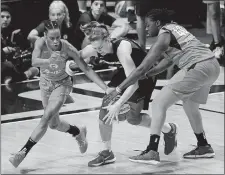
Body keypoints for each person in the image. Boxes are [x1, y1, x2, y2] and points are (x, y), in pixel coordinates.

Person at [106, 9, 219, 164]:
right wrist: (149, 74)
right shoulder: (176, 28)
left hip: (196, 67)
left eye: (148, 25)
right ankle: (203, 145)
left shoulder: (163, 35)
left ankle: (152, 150)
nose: (146, 28)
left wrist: (119, 89)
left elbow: (140, 69)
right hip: (212, 65)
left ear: (158, 23)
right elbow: (169, 61)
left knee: (159, 104)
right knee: (191, 106)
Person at [9, 20, 112, 168]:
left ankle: (22, 152)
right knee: (53, 124)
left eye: (58, 37)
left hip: (62, 84)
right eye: (52, 38)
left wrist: (105, 88)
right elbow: (34, 62)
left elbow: (86, 68)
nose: (56, 41)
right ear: (45, 36)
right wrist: (49, 60)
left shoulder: (67, 47)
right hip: (45, 85)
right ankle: (77, 131)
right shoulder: (40, 42)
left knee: (46, 117)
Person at [75, 22, 178, 167]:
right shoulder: (94, 47)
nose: (99, 52)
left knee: (133, 119)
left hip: (143, 76)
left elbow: (134, 82)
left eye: (100, 48)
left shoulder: (122, 49)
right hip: (124, 74)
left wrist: (118, 104)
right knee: (105, 110)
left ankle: (169, 129)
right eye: (96, 49)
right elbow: (76, 56)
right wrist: (69, 65)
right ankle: (107, 152)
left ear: (108, 39)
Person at [1, 4, 39, 84]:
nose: (5, 19)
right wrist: (3, 52)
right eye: (2, 17)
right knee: (8, 65)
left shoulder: (10, 33)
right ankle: (24, 75)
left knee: (34, 68)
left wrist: (16, 53)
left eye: (8, 17)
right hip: (4, 67)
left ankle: (16, 76)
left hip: (7, 67)